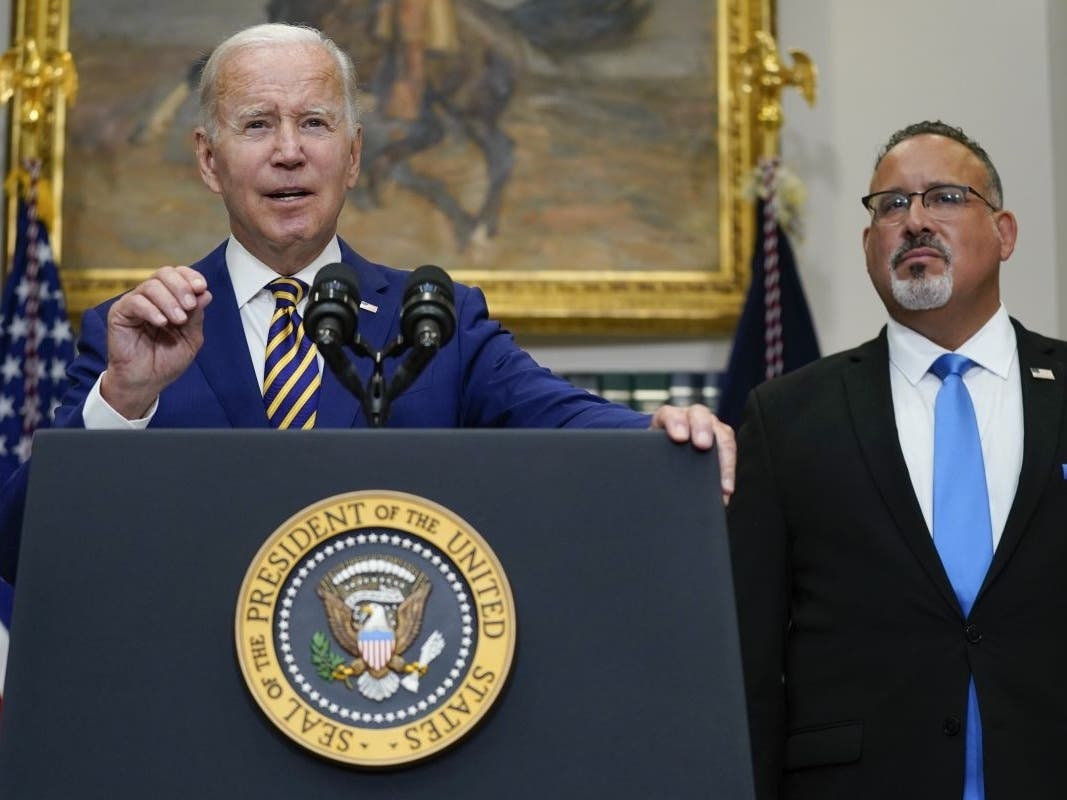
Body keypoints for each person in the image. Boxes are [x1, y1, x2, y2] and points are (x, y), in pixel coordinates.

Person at [0, 23, 733, 583]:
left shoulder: (436, 319)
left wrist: (659, 430)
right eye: (257, 124)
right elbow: (20, 543)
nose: (289, 151)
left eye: (314, 123)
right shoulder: (136, 332)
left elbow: (562, 417)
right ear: (207, 158)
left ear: (352, 156)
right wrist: (122, 401)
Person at [727, 119, 1067, 799]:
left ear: (1003, 233)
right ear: (867, 246)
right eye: (890, 205)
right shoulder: (786, 416)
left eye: (943, 197)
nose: (913, 221)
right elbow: (748, 663)